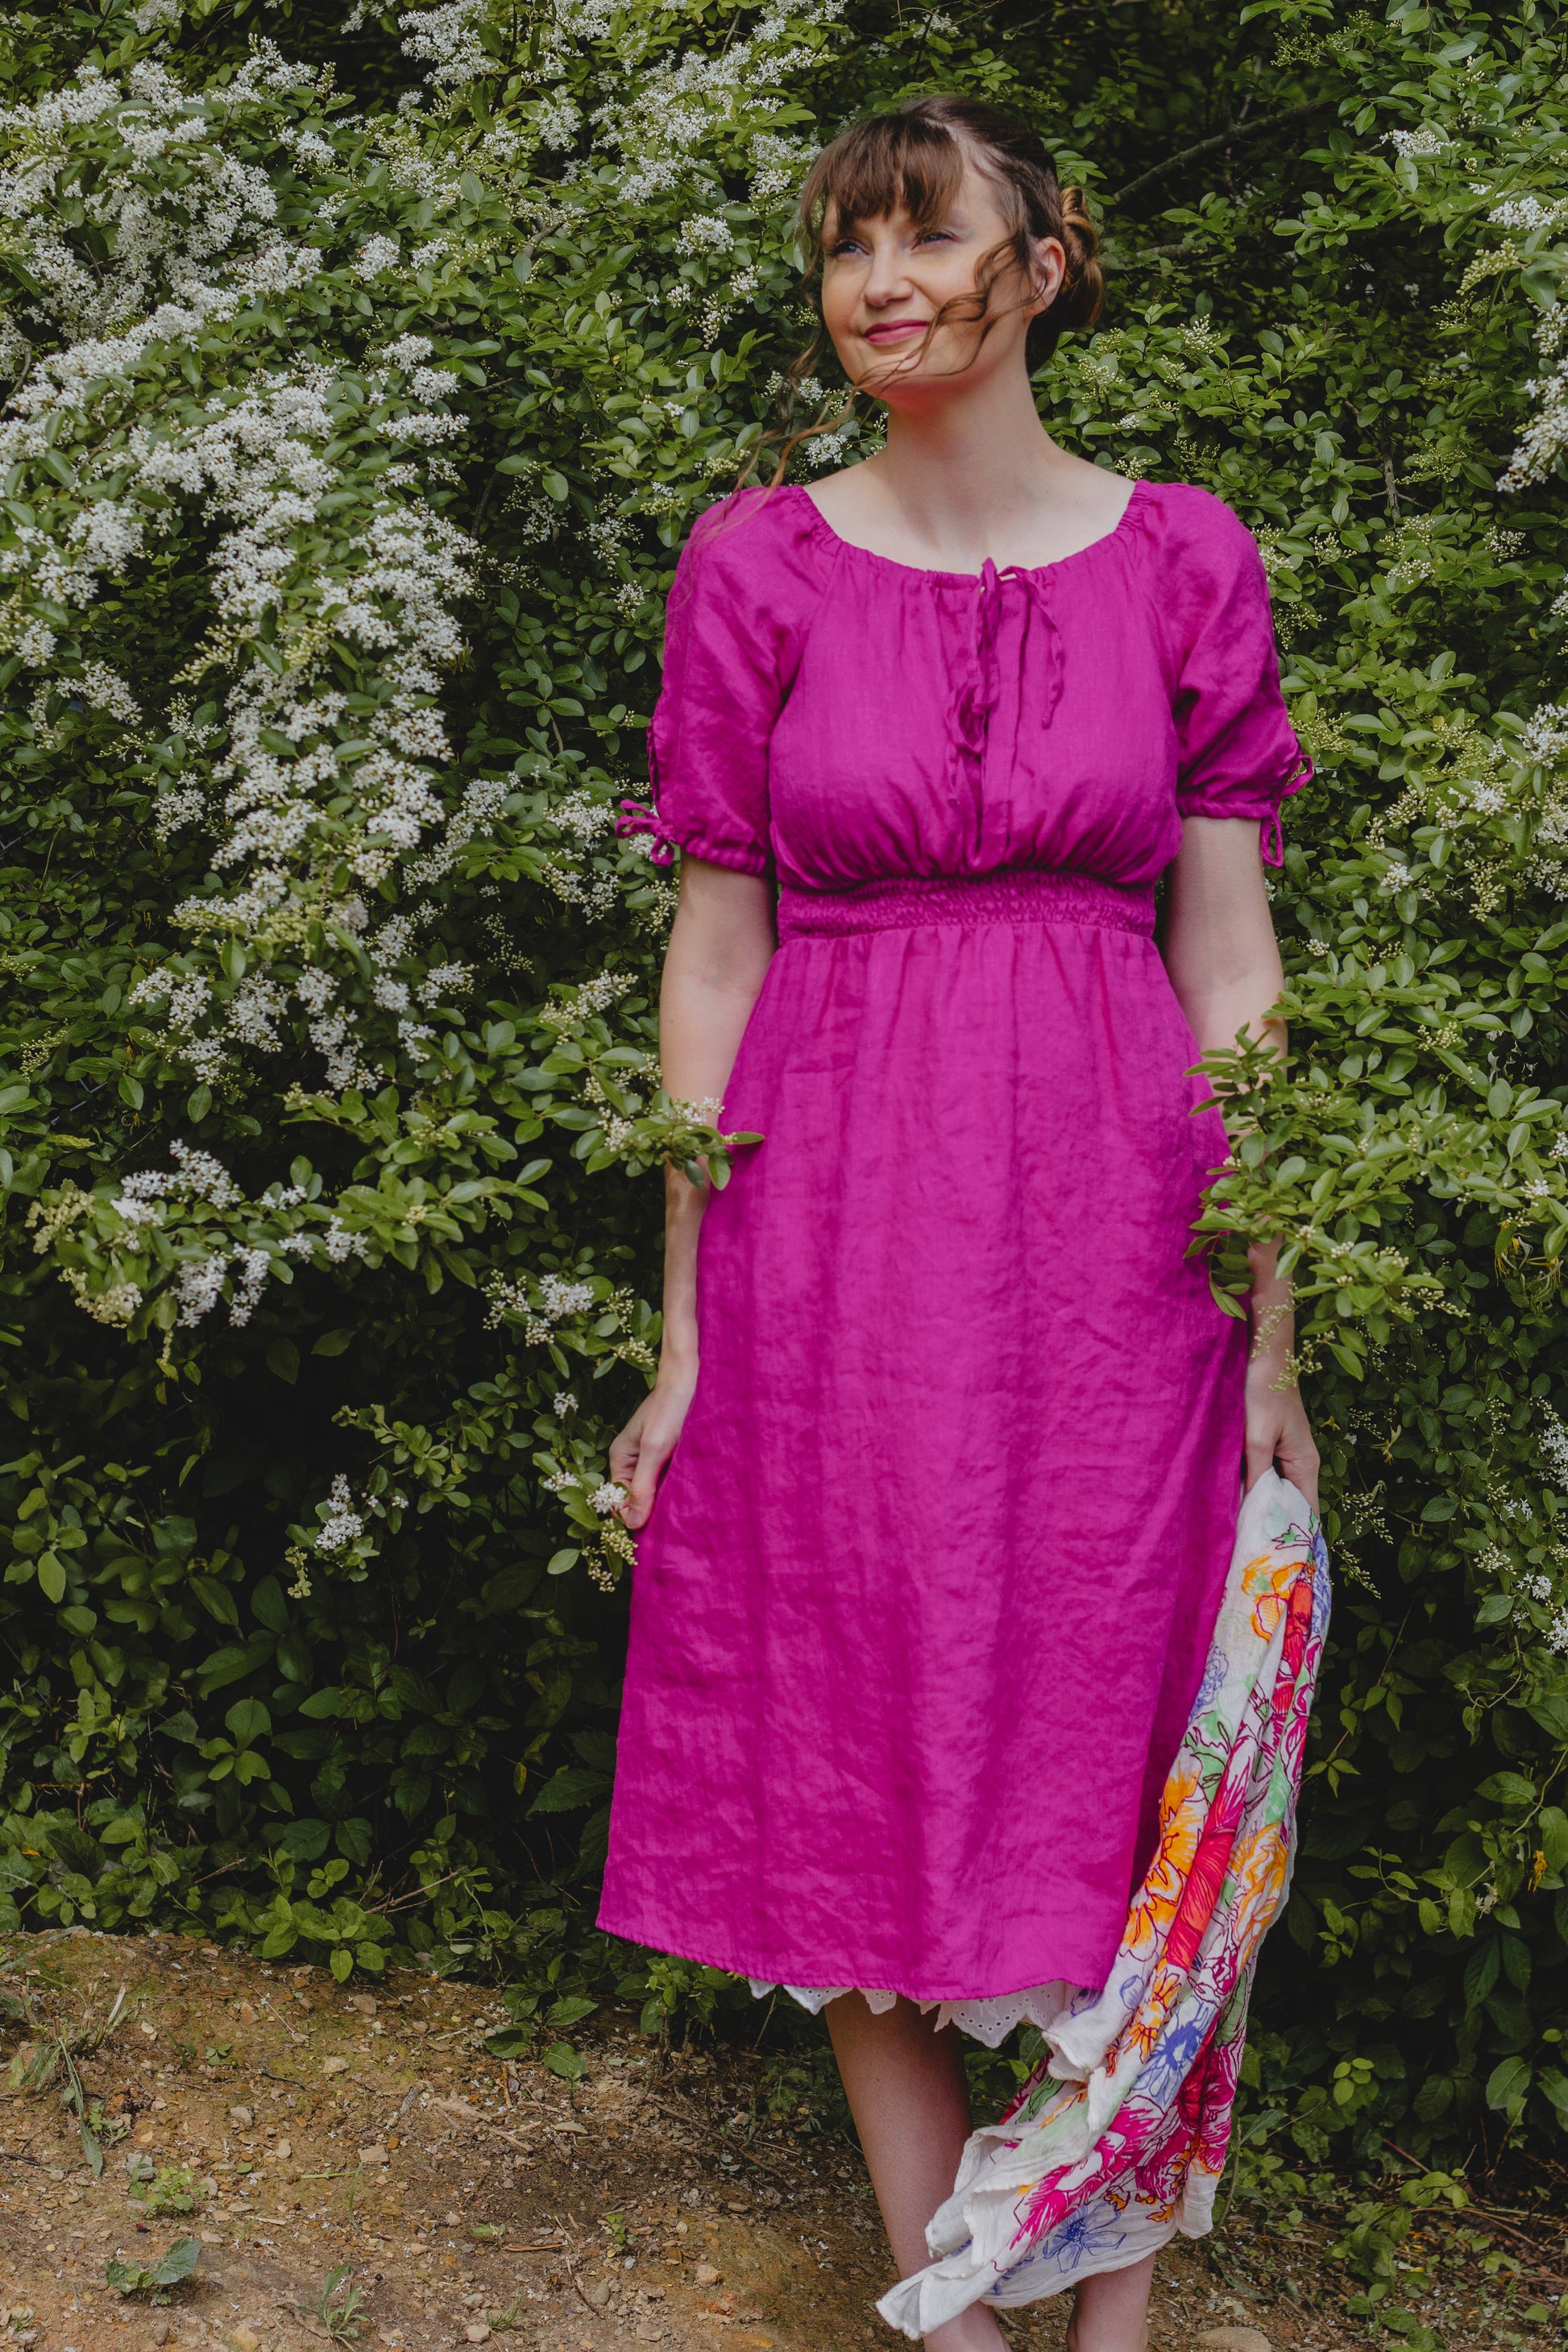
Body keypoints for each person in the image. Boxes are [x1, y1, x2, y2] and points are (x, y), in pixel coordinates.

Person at [597, 93, 1320, 2352]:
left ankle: (1097, 2284)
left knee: (1126, 1737)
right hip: (826, 1225)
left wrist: (1272, 1323)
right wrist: (683, 1333)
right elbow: (710, 963)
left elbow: (1231, 968)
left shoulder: (1183, 553)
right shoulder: (761, 566)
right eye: (842, 246)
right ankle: (959, 2298)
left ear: (1041, 258)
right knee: (848, 1713)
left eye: (923, 234)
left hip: (1120, 1232)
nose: (877, 280)